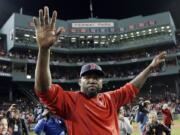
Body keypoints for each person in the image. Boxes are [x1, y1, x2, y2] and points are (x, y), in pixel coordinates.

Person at [33, 6, 167, 135]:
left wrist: (150, 68)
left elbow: (131, 88)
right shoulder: (70, 101)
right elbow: (43, 89)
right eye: (87, 77)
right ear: (80, 82)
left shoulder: (110, 99)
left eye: (96, 78)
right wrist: (44, 50)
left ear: (102, 82)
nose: (92, 80)